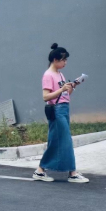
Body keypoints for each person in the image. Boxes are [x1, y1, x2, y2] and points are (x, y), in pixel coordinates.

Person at [33, 44, 89, 183]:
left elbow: (65, 94)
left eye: (66, 60)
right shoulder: (48, 75)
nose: (65, 63)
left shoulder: (60, 74)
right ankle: (72, 173)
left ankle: (40, 170)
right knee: (65, 141)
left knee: (56, 141)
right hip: (56, 110)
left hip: (64, 108)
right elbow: (45, 97)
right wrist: (61, 89)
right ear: (55, 60)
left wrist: (73, 86)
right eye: (63, 60)